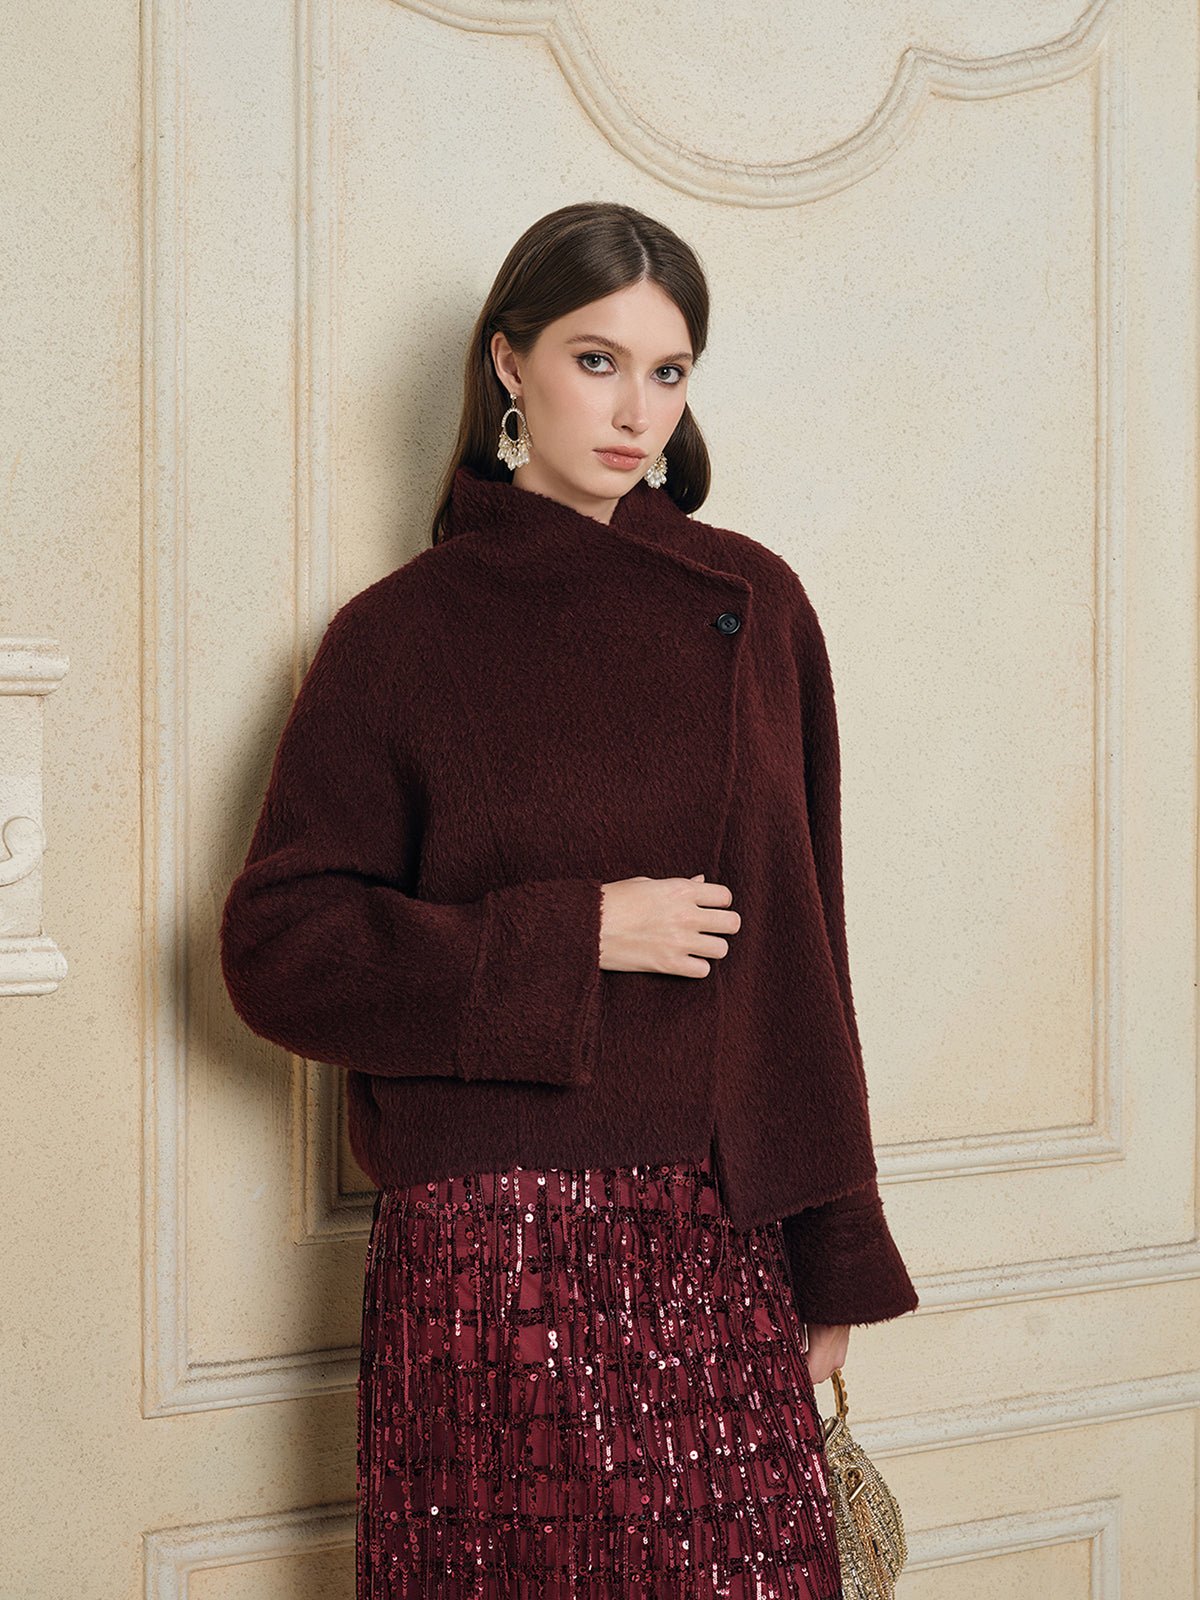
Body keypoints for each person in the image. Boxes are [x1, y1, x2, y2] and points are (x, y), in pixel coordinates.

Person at [220, 199, 919, 1598]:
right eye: (596, 361)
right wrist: (580, 931)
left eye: (669, 372)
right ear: (507, 363)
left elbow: (805, 945)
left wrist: (833, 1246)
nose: (636, 412)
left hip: (719, 1226)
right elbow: (278, 949)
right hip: (495, 1251)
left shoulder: (754, 604)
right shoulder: (401, 634)